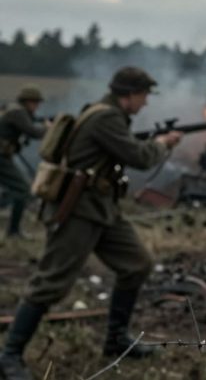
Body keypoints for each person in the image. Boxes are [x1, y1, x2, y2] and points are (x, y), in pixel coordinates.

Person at [0, 67, 182, 380]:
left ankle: (115, 340)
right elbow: (139, 157)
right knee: (50, 281)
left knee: (137, 264)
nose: (146, 103)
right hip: (78, 210)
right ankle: (9, 355)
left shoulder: (108, 115)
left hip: (102, 208)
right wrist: (164, 143)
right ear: (128, 94)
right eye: (144, 95)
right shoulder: (106, 118)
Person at [0, 86, 49, 239]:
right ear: (28, 102)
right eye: (35, 103)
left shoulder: (13, 109)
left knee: (14, 190)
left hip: (3, 157)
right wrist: (48, 129)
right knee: (22, 190)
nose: (37, 107)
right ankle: (13, 232)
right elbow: (33, 132)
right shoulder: (18, 113)